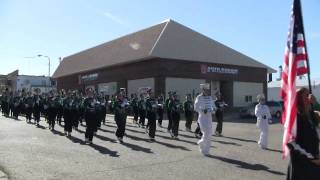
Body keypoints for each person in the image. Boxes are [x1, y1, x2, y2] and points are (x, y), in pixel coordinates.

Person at [286, 88, 320, 180]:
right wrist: (311, 158)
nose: (310, 97)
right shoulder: (295, 118)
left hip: (314, 163)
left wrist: (316, 104)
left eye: (310, 94)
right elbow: (291, 143)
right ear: (299, 99)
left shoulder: (312, 116)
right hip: (302, 165)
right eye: (306, 95)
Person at [194, 83, 216, 155]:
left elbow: (214, 106)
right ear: (203, 90)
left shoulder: (210, 98)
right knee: (206, 133)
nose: (207, 91)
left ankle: (206, 150)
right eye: (205, 90)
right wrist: (202, 111)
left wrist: (213, 110)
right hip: (202, 118)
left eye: (208, 90)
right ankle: (201, 143)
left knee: (209, 134)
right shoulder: (199, 97)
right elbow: (196, 108)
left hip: (209, 118)